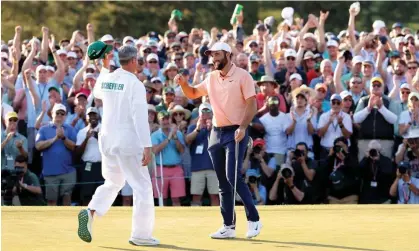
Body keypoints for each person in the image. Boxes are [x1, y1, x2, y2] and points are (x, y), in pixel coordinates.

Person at [175, 42, 261, 239]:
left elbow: (251, 105)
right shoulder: (211, 77)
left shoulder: (243, 76)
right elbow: (194, 93)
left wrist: (243, 127)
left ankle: (254, 219)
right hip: (216, 131)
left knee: (233, 177)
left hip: (236, 131)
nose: (213, 58)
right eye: (212, 55)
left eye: (217, 54)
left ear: (228, 55)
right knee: (222, 181)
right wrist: (183, 85)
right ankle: (228, 226)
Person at [77, 41, 158, 246]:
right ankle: (141, 236)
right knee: (142, 187)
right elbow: (140, 117)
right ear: (133, 61)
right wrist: (147, 146)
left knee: (113, 183)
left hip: (107, 140)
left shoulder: (108, 78)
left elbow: (96, 93)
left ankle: (90, 211)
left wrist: (104, 66)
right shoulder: (135, 84)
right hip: (128, 141)